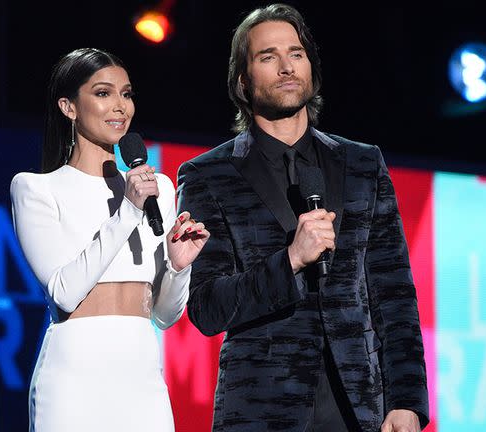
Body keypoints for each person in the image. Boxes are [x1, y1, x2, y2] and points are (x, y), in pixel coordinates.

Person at [177, 4, 428, 432]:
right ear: (242, 80)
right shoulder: (208, 175)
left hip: (357, 408)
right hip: (261, 409)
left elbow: (393, 293)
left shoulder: (363, 164)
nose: (286, 66)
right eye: (268, 56)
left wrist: (406, 400)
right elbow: (206, 307)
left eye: (296, 53)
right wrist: (289, 260)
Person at [11, 48, 210, 431]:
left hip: (142, 378)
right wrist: (129, 211)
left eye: (127, 94)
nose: (120, 106)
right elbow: (64, 292)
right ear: (69, 107)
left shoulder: (159, 188)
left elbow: (165, 316)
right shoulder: (36, 188)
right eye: (103, 93)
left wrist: (178, 266)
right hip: (73, 379)